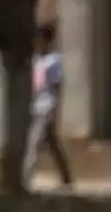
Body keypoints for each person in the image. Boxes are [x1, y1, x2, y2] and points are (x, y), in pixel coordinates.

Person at [23, 22, 74, 188]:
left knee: (33, 142)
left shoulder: (54, 61)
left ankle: (25, 177)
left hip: (46, 106)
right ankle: (66, 176)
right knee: (52, 144)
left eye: (40, 39)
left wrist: (55, 109)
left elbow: (57, 86)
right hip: (34, 105)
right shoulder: (36, 59)